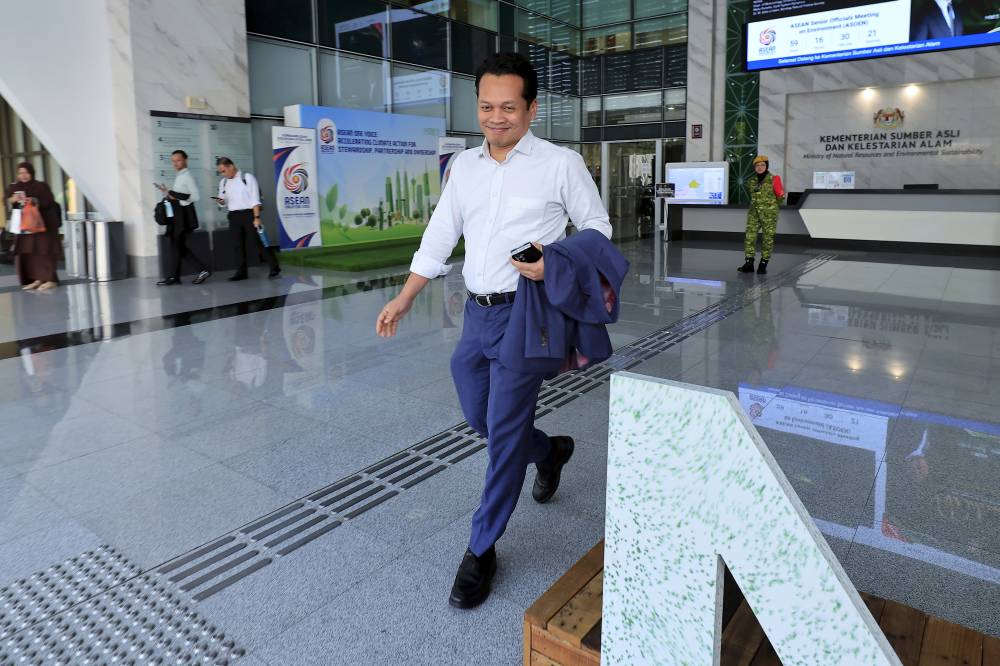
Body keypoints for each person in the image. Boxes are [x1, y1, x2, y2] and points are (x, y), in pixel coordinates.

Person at [375, 53, 614, 610]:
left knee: (502, 434)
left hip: (529, 315)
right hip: (476, 313)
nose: (496, 117)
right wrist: (407, 295)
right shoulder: (466, 166)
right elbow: (440, 234)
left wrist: (552, 260)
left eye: (509, 106)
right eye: (486, 106)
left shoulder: (560, 163)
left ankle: (481, 549)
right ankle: (549, 450)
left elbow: (598, 229)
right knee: (479, 415)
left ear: (532, 108)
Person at [215, 157, 280, 281]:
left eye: (224, 171)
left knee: (257, 242)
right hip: (233, 215)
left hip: (249, 214)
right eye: (221, 172)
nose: (222, 174)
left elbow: (255, 199)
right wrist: (221, 201)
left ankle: (274, 267)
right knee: (237, 245)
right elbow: (223, 201)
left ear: (231, 166)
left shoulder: (247, 178)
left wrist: (256, 217)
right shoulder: (223, 182)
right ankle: (241, 272)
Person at [155, 150, 211, 285]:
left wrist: (173, 194)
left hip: (183, 218)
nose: (175, 163)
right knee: (177, 246)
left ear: (185, 160)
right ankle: (175, 277)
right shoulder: (180, 175)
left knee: (178, 246)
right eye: (173, 161)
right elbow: (182, 196)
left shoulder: (187, 176)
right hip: (179, 217)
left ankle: (200, 270)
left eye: (178, 160)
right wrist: (168, 193)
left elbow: (195, 196)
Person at [4, 162, 61, 291]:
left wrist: (33, 201)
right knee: (30, 253)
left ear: (31, 173)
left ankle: (50, 280)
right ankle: (37, 279)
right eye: (20, 173)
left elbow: (49, 201)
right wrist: (13, 199)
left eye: (26, 172)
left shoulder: (41, 186)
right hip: (26, 227)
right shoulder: (14, 187)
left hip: (44, 225)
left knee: (44, 251)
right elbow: (7, 200)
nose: (23, 175)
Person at [738, 155, 784, 275]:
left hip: (769, 215)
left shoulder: (775, 179)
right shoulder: (752, 181)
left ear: (766, 166)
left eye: (762, 165)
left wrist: (771, 208)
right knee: (749, 237)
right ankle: (749, 262)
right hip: (754, 214)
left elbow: (781, 197)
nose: (759, 167)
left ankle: (763, 263)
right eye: (757, 165)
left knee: (767, 239)